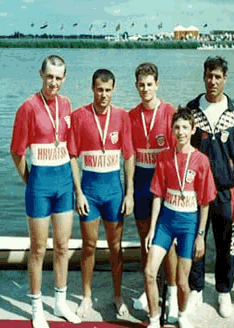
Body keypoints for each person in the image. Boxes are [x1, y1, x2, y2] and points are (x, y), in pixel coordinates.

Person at [10, 55, 81, 328]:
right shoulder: (27, 107)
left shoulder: (66, 104)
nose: (54, 82)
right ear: (41, 74)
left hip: (63, 182)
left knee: (62, 247)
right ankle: (37, 305)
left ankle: (60, 302)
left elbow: (68, 146)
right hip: (39, 182)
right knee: (39, 249)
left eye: (59, 78)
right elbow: (17, 153)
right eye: (49, 76)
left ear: (64, 79)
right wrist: (30, 180)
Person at [68, 69, 135, 317]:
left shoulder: (122, 117)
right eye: (99, 89)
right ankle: (86, 296)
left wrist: (128, 194)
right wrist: (79, 192)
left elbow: (129, 157)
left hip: (114, 193)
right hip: (90, 192)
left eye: (107, 90)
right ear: (92, 88)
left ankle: (117, 296)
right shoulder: (80, 116)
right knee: (89, 246)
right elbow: (73, 156)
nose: (103, 95)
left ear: (113, 90)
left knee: (115, 247)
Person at [144, 107, 217, 328]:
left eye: (185, 127)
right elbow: (157, 195)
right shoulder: (166, 157)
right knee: (149, 272)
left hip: (188, 225)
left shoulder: (201, 161)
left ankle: (183, 315)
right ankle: (154, 319)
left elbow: (205, 203)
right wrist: (152, 229)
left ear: (193, 129)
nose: (181, 132)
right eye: (177, 127)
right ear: (171, 130)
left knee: (183, 282)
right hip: (166, 223)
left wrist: (201, 235)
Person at [186, 56, 234, 317]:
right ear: (203, 76)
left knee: (225, 243)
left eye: (218, 76)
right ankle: (196, 288)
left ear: (225, 78)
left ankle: (223, 292)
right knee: (195, 241)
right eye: (209, 75)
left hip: (224, 191)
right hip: (195, 191)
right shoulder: (191, 108)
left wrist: (229, 173)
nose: (213, 81)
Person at [129, 62, 178, 322]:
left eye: (150, 84)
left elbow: (177, 154)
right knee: (145, 239)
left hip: (165, 181)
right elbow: (128, 156)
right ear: (136, 86)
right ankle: (149, 290)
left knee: (166, 240)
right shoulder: (131, 115)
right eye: (141, 84)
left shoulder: (170, 112)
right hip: (141, 180)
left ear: (157, 84)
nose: (145, 89)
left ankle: (170, 291)